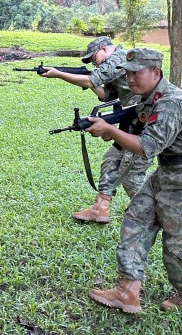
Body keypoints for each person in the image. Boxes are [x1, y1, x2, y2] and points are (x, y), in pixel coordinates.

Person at [84, 48, 182, 313]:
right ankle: (127, 291)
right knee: (135, 220)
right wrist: (112, 128)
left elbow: (147, 147)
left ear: (156, 72)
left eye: (137, 73)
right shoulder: (147, 99)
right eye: (128, 73)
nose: (131, 79)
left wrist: (110, 131)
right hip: (166, 173)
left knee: (179, 246)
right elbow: (136, 128)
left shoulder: (172, 102)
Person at [39, 36, 152, 224]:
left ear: (105, 49)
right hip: (131, 122)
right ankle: (100, 208)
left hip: (145, 124)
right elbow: (105, 94)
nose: (94, 63)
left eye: (95, 58)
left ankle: (149, 213)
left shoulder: (119, 57)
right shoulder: (115, 68)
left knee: (130, 174)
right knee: (111, 159)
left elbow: (92, 80)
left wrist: (59, 74)